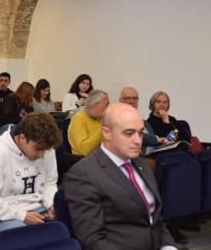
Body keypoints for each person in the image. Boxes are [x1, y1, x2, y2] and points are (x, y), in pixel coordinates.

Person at [64, 103, 182, 250]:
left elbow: (154, 218)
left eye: (140, 133)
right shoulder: (83, 175)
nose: (138, 140)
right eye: (129, 133)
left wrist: (168, 246)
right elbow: (93, 241)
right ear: (106, 133)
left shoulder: (143, 165)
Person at [0, 113, 61, 240]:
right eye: (38, 149)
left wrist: (52, 204)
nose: (42, 155)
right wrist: (22, 215)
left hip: (37, 208)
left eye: (45, 150)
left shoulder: (47, 148)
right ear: (22, 138)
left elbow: (50, 183)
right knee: (24, 238)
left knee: (68, 221)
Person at [119, 86, 166, 155]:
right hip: (137, 157)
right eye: (128, 98)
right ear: (120, 101)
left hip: (154, 154)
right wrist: (156, 139)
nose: (132, 101)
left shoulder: (144, 122)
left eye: (134, 98)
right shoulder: (117, 118)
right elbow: (131, 135)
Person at [68, 89, 109, 156]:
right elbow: (84, 150)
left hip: (101, 157)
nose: (107, 108)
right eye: (106, 104)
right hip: (85, 161)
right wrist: (103, 128)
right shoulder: (78, 119)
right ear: (95, 104)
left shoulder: (100, 117)